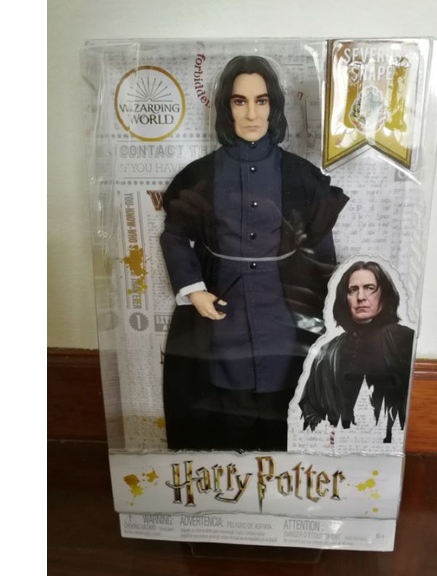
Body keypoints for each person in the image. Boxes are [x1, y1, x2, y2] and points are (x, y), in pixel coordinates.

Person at [160, 55, 348, 452]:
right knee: (228, 404)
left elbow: (320, 248)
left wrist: (327, 313)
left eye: (261, 101)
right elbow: (175, 237)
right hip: (223, 310)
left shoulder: (302, 176)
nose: (251, 114)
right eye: (239, 101)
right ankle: (233, 479)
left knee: (286, 398)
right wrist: (194, 290)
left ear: (273, 105)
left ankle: (279, 477)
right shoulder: (200, 175)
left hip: (285, 313)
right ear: (226, 107)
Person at [298, 260, 415, 443]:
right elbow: (310, 409)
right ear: (344, 298)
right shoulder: (328, 352)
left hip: (388, 445)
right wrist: (325, 432)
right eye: (353, 290)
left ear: (384, 295)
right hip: (336, 448)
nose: (361, 297)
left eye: (370, 288)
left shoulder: (405, 340)